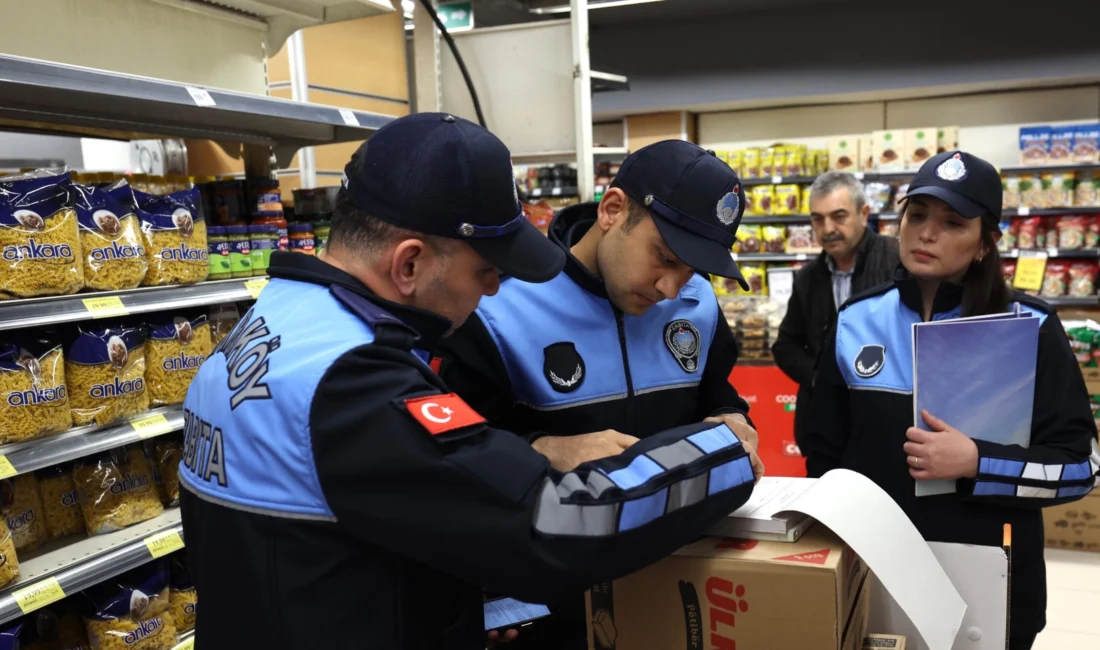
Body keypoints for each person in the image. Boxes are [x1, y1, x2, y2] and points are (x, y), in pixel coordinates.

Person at [178, 113, 759, 650]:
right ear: (409, 263)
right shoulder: (352, 382)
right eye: (486, 271)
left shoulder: (274, 325)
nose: (494, 292)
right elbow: (552, 523)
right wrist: (726, 454)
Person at [434, 140, 764, 649]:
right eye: (665, 257)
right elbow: (450, 460)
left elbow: (716, 389)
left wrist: (729, 416)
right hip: (551, 602)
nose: (672, 287)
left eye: (693, 269)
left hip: (675, 585)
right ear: (613, 210)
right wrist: (543, 448)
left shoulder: (696, 303)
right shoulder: (500, 305)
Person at [805, 150, 1100, 650]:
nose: (926, 233)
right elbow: (822, 454)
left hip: (991, 581)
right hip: (877, 573)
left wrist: (978, 462)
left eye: (953, 222)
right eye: (916, 215)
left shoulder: (1030, 328)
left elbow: (1080, 468)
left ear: (986, 243)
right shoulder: (856, 320)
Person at [771, 171, 898, 453]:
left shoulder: (898, 263)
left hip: (887, 423)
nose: (827, 228)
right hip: (825, 428)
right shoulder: (808, 277)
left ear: (864, 214)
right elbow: (785, 344)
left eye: (839, 216)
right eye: (818, 219)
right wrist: (819, 376)